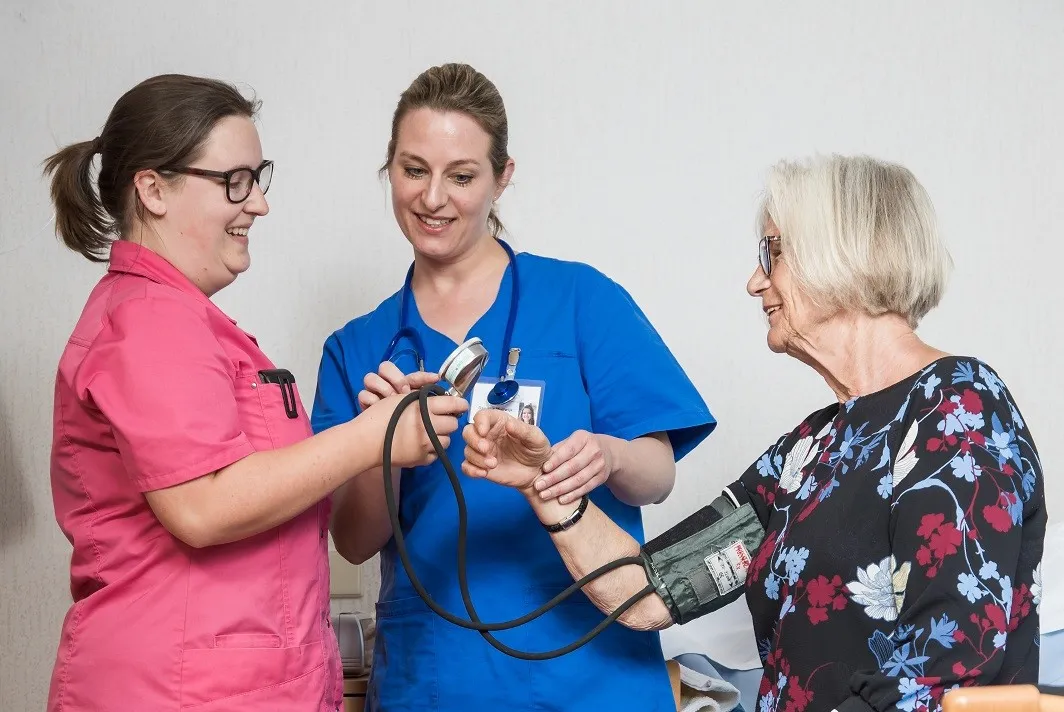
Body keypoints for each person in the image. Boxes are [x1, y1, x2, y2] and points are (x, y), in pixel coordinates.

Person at [462, 154, 1046, 712]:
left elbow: (951, 655)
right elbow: (648, 591)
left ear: (837, 251)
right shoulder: (811, 451)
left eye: (772, 253)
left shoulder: (958, 406)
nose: (753, 282)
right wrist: (545, 485)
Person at [43, 73, 467, 712]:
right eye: (233, 181)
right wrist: (372, 437)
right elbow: (203, 507)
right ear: (153, 189)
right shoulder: (150, 321)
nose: (258, 204)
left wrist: (375, 436)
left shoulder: (187, 322)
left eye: (257, 177)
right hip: (175, 690)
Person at [311, 63, 716, 711]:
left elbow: (658, 474)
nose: (433, 198)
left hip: (595, 679)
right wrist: (378, 445)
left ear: (503, 177)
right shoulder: (358, 348)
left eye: (462, 175)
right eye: (414, 170)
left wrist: (608, 456)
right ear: (389, 169)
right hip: (437, 680)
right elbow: (355, 540)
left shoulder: (582, 300)